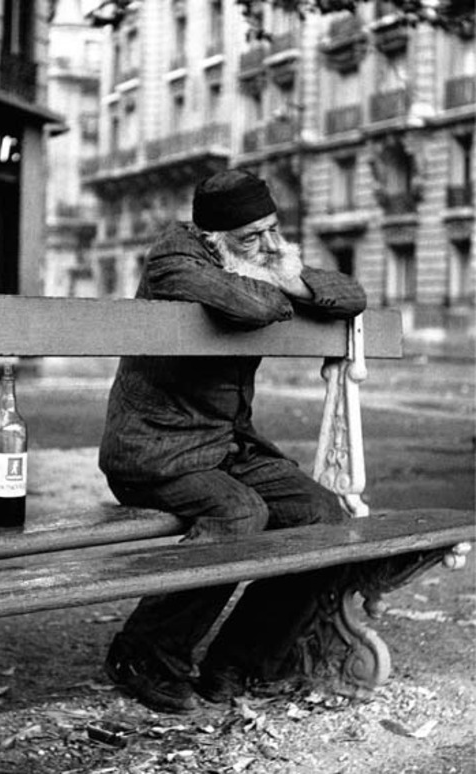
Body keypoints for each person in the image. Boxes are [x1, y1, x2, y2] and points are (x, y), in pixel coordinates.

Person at [99, 169, 367, 713]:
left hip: (225, 448)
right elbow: (254, 307)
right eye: (252, 237)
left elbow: (351, 294)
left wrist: (289, 276)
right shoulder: (173, 259)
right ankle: (143, 653)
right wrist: (286, 281)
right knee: (240, 514)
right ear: (214, 238)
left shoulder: (253, 258)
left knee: (322, 515)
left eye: (274, 230)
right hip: (155, 451)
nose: (270, 244)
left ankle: (240, 661)